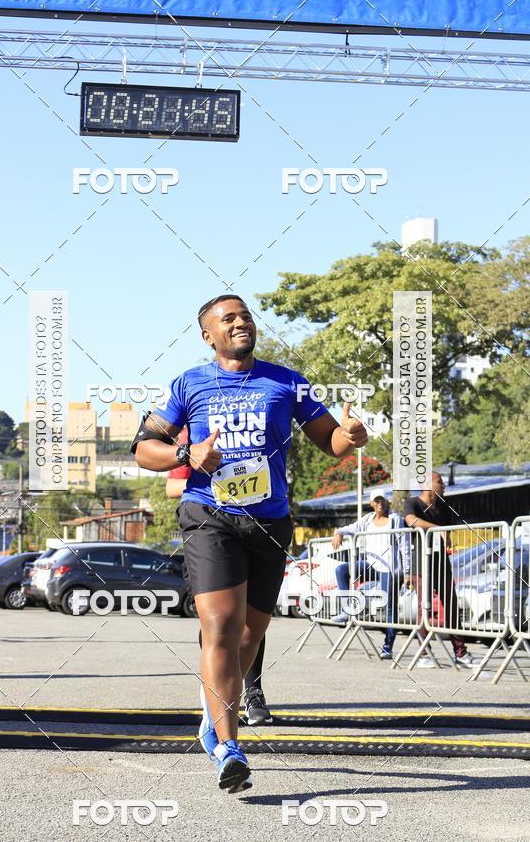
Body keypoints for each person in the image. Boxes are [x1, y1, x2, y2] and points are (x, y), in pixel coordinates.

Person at [133, 294, 367, 793]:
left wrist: (353, 435)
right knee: (221, 626)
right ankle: (228, 747)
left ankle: (213, 713)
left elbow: (332, 441)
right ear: (208, 335)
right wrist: (187, 452)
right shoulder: (187, 384)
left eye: (245, 316)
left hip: (270, 522)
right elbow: (143, 451)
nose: (240, 323)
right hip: (209, 516)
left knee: (249, 637)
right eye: (228, 319)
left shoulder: (287, 382)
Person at [166, 428, 272, 726]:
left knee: (252, 621)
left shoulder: (256, 421)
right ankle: (217, 692)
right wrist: (214, 479)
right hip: (210, 528)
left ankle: (252, 691)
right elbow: (171, 488)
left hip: (257, 526)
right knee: (220, 622)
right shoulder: (195, 430)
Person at [404, 471, 475, 669]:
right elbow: (411, 521)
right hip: (421, 564)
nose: (443, 485)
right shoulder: (413, 503)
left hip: (442, 563)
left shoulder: (444, 507)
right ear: (427, 485)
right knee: (423, 607)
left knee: (451, 606)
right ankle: (423, 652)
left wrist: (446, 534)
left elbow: (448, 534)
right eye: (439, 481)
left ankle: (461, 653)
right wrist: (438, 529)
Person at [329, 492, 410, 659]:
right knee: (342, 570)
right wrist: (339, 532)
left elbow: (405, 546)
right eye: (377, 500)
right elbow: (350, 528)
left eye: (383, 500)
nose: (381, 503)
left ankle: (388, 644)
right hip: (371, 564)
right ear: (372, 503)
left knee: (389, 607)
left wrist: (407, 571)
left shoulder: (395, 520)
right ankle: (348, 607)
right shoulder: (367, 520)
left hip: (390, 568)